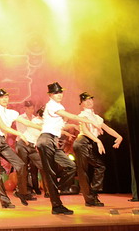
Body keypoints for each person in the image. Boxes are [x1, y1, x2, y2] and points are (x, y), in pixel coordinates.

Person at [36, 82, 103, 215]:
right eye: (56, 93)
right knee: (51, 173)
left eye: (60, 92)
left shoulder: (58, 106)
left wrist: (72, 126)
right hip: (46, 140)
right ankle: (57, 205)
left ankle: (57, 189)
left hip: (52, 141)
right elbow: (73, 116)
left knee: (71, 166)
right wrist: (90, 121)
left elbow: (59, 125)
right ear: (50, 95)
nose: (59, 95)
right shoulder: (52, 105)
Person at [0, 89, 42, 209]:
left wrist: (41, 127)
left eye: (6, 97)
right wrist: (19, 134)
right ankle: (5, 201)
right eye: (2, 97)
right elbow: (3, 126)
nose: (5, 99)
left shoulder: (12, 113)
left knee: (20, 165)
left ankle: (21, 192)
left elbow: (27, 123)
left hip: (2, 141)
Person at [74, 91, 123, 207]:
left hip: (88, 143)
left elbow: (107, 128)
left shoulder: (96, 117)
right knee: (83, 172)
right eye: (86, 100)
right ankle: (90, 199)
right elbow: (85, 131)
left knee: (100, 166)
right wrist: (98, 140)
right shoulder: (82, 115)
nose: (89, 102)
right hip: (82, 142)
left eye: (90, 99)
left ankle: (93, 194)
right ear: (81, 104)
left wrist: (119, 137)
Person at [15, 100, 43, 197]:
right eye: (29, 108)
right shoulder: (20, 118)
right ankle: (23, 189)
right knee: (23, 167)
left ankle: (35, 187)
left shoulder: (35, 118)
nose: (31, 110)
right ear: (25, 108)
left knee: (36, 166)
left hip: (32, 144)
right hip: (23, 142)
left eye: (32, 108)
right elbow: (21, 131)